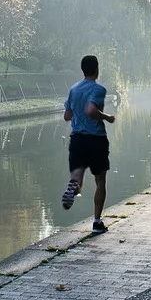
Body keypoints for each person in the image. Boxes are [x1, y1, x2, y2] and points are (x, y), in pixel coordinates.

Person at [61, 55, 115, 234]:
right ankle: (97, 222)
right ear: (96, 69)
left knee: (77, 178)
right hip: (96, 139)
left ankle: (73, 187)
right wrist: (107, 117)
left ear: (82, 69)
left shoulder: (73, 89)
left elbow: (67, 116)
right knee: (100, 180)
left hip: (77, 139)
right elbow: (91, 110)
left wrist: (77, 113)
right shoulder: (98, 89)